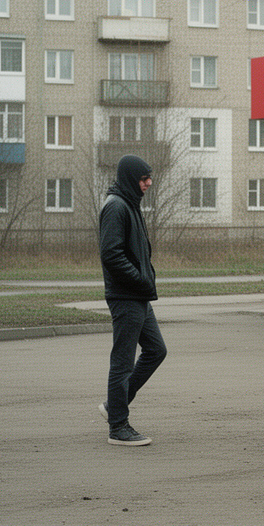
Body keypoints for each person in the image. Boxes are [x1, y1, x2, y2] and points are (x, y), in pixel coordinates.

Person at [98, 155, 167, 446]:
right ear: (130, 179)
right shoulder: (116, 206)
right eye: (143, 178)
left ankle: (116, 404)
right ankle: (118, 427)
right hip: (126, 295)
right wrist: (139, 279)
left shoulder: (130, 203)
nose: (148, 183)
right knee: (123, 361)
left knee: (156, 350)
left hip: (137, 295)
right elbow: (111, 254)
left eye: (149, 177)